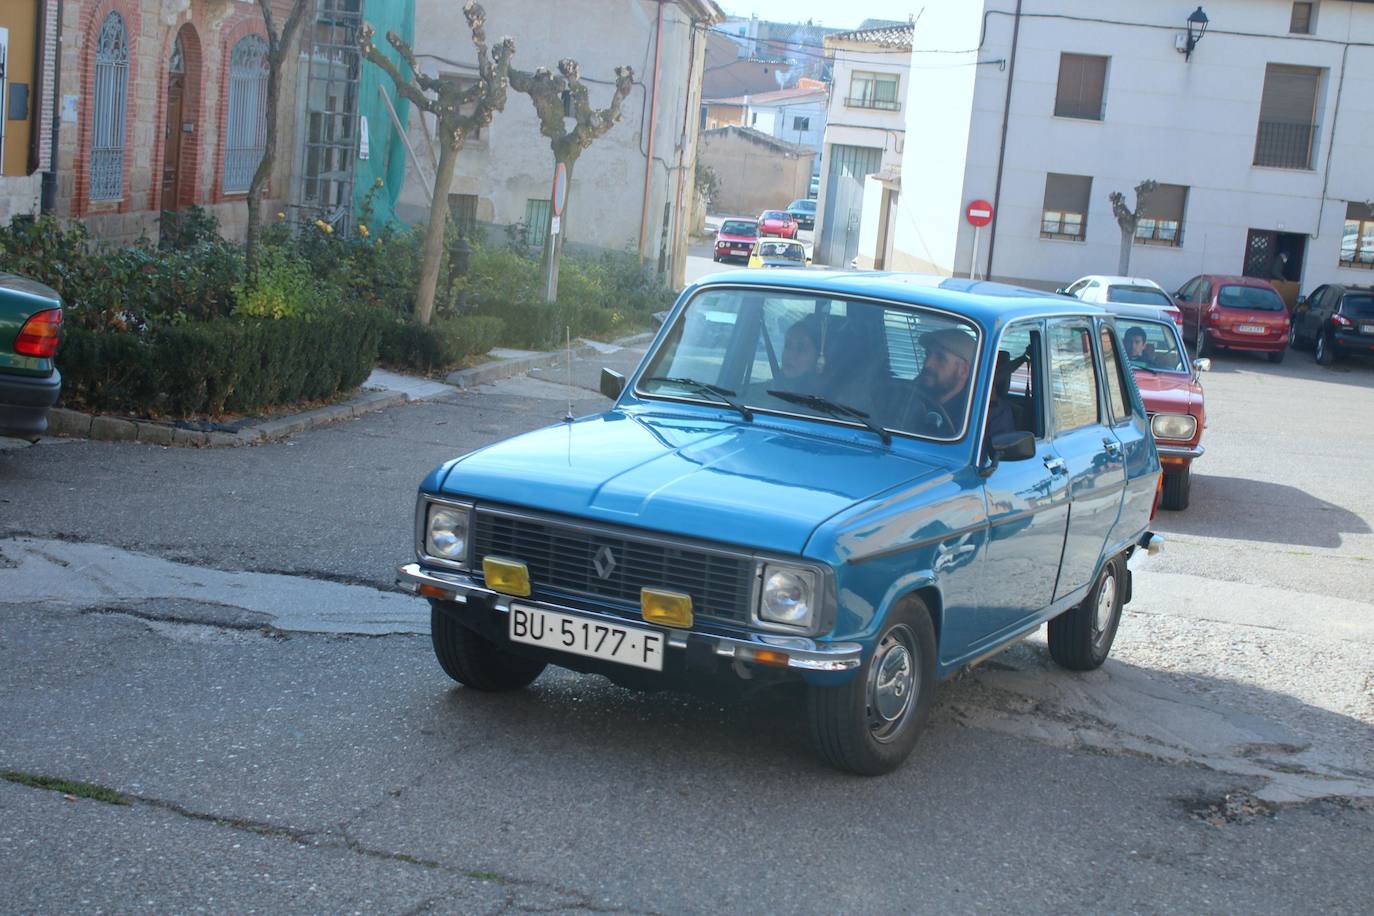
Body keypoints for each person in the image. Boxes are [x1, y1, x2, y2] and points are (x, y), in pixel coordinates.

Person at [910, 328, 976, 435]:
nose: (927, 364)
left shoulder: (972, 419)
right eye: (928, 354)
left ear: (963, 370)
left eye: (940, 358)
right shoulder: (907, 396)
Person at [778, 314, 825, 392]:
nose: (790, 355)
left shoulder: (828, 400)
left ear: (818, 357)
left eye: (801, 348)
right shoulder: (760, 393)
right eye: (787, 345)